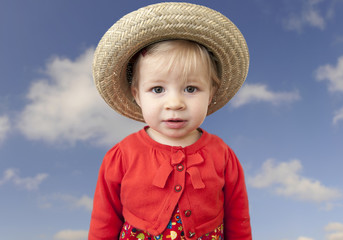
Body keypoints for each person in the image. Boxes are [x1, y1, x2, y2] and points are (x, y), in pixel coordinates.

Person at [89, 2, 251, 240]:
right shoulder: (121, 156)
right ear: (137, 95)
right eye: (157, 89)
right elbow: (104, 220)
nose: (174, 103)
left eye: (191, 88)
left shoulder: (223, 156)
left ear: (211, 94)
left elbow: (239, 221)